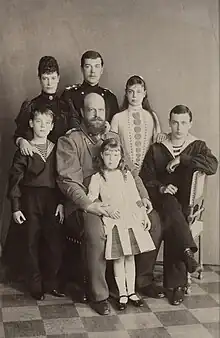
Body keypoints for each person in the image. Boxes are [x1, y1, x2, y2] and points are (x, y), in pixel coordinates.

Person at [56, 92, 159, 315]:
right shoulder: (70, 140)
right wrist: (89, 205)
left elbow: (131, 172)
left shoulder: (113, 137)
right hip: (86, 203)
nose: (96, 114)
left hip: (120, 202)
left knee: (154, 221)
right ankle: (99, 294)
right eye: (91, 110)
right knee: (95, 232)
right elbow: (68, 181)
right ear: (82, 113)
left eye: (101, 110)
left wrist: (143, 198)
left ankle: (133, 285)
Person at [140, 104, 218, 306]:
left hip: (184, 206)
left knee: (173, 216)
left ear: (190, 123)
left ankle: (163, 282)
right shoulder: (158, 148)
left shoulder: (197, 146)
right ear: (169, 123)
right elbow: (145, 177)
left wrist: (182, 159)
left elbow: (212, 165)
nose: (179, 127)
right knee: (169, 206)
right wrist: (161, 188)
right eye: (175, 122)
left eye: (183, 123)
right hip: (159, 201)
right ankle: (178, 278)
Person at [87, 137, 156, 310]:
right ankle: (122, 293)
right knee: (118, 259)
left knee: (130, 258)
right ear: (102, 155)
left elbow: (135, 198)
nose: (112, 158)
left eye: (116, 154)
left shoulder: (126, 175)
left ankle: (132, 291)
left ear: (121, 157)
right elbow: (91, 199)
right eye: (108, 154)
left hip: (130, 221)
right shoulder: (98, 177)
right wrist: (105, 209)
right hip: (113, 221)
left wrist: (144, 216)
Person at [7, 107, 65, 300]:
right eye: (39, 122)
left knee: (54, 244)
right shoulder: (25, 149)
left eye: (47, 123)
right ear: (31, 124)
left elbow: (61, 178)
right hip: (30, 200)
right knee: (31, 243)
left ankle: (51, 282)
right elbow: (15, 179)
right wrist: (16, 207)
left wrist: (62, 203)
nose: (43, 126)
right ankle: (35, 284)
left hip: (52, 200)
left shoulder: (56, 148)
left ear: (52, 126)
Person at [14, 55, 75, 156]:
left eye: (53, 78)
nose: (49, 83)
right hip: (38, 159)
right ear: (39, 79)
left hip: (63, 158)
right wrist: (21, 141)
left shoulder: (67, 105)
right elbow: (18, 134)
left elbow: (74, 133)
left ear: (58, 78)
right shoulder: (31, 106)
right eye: (45, 78)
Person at [111, 75, 166, 172]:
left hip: (148, 170)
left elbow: (157, 144)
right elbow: (112, 146)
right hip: (123, 169)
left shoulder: (151, 116)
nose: (134, 96)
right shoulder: (117, 118)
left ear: (144, 93)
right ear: (126, 93)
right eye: (131, 92)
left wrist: (162, 136)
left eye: (138, 92)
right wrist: (125, 163)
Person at [61, 50, 119, 125]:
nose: (93, 71)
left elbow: (114, 129)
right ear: (82, 69)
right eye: (88, 66)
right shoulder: (69, 95)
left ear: (101, 70)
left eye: (97, 66)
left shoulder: (110, 98)